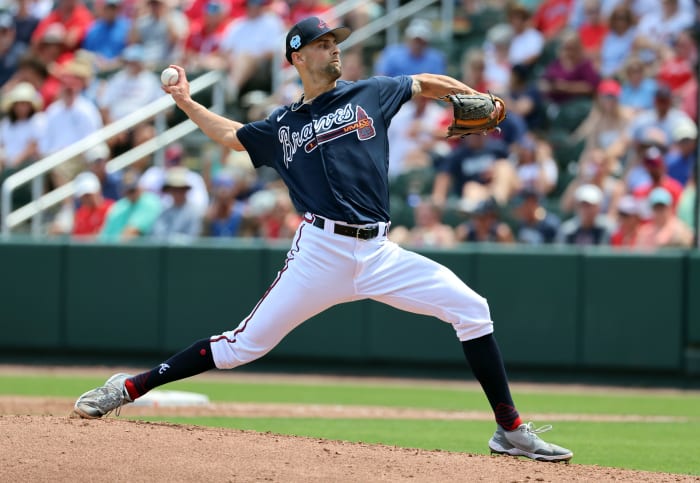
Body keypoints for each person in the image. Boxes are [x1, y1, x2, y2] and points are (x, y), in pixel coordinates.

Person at [73, 16, 573, 463]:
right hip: (320, 253)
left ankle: (510, 431)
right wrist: (185, 101)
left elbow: (422, 82)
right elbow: (231, 135)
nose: (334, 49)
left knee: (472, 309)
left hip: (379, 252)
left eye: (335, 42)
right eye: (322, 43)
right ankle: (130, 387)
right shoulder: (282, 126)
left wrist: (467, 94)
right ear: (298, 56)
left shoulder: (371, 92)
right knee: (242, 346)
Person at [373, 18, 447, 77]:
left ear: (426, 42)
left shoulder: (436, 58)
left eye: (421, 41)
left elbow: (439, 85)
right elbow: (381, 78)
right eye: (415, 40)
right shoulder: (391, 53)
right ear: (407, 39)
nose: (417, 44)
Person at [151, 166, 204, 241]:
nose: (177, 193)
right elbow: (157, 234)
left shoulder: (194, 213)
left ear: (185, 190)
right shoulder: (164, 212)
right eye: (174, 190)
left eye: (181, 190)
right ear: (169, 191)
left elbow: (193, 237)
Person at [71, 170, 114, 238]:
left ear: (98, 190)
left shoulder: (112, 209)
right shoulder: (80, 214)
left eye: (88, 195)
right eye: (83, 196)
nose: (86, 199)